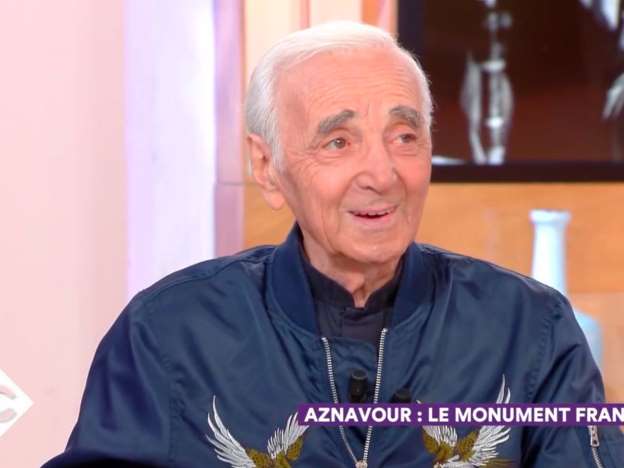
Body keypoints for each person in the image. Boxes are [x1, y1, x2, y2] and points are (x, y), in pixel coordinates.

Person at [43, 21, 623, 467]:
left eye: (405, 136)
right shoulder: (170, 333)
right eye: (338, 142)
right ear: (267, 167)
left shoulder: (529, 328)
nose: (382, 174)